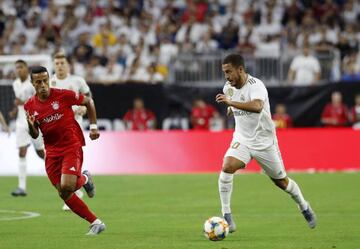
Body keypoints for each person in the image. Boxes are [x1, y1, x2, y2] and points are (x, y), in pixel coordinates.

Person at [215, 53, 316, 233]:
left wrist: (231, 103)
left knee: (282, 182)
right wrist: (230, 108)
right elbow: (233, 106)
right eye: (224, 73)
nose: (227, 76)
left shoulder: (256, 85)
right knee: (227, 166)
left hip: (265, 142)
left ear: (240, 69)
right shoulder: (227, 87)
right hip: (242, 139)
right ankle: (227, 216)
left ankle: (304, 205)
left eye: (229, 72)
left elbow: (257, 107)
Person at [24, 66, 105, 235]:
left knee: (67, 185)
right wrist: (31, 126)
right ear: (32, 83)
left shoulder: (62, 95)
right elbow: (35, 133)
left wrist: (94, 127)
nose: (43, 85)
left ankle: (84, 178)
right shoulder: (29, 105)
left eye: (45, 80)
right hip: (52, 152)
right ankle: (95, 223)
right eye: (38, 82)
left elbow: (88, 101)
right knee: (63, 192)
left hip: (71, 146)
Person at [50, 52, 91, 211]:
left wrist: (83, 107)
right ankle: (83, 182)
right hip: (55, 130)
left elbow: (88, 96)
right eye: (57, 63)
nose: (60, 66)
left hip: (74, 126)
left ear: (68, 65)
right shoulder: (50, 82)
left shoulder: (77, 81)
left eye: (62, 63)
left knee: (71, 159)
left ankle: (76, 191)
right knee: (59, 162)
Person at [9, 60, 45, 197]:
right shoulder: (15, 84)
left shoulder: (32, 83)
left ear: (26, 68)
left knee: (41, 153)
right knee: (22, 152)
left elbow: (40, 99)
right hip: (20, 122)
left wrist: (22, 103)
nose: (18, 70)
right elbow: (18, 102)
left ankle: (60, 171)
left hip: (34, 121)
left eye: (21, 67)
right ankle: (21, 187)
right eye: (16, 67)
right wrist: (14, 110)